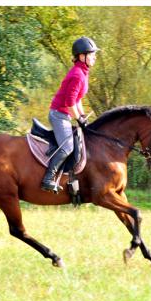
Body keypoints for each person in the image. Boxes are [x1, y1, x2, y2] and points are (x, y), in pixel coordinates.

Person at [41, 37, 99, 193]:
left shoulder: (82, 73)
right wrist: (78, 119)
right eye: (92, 54)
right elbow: (69, 102)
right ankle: (48, 178)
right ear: (82, 56)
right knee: (67, 147)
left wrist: (82, 115)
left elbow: (78, 99)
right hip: (59, 115)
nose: (95, 57)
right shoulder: (77, 75)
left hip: (65, 115)